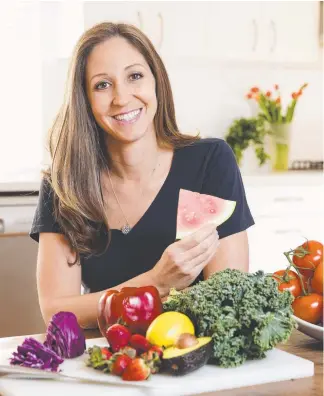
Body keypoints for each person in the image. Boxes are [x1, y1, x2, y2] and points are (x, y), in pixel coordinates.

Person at [30, 22, 254, 329]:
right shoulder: (63, 185)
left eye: (134, 76)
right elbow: (57, 312)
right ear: (85, 100)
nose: (121, 98)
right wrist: (156, 283)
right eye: (102, 85)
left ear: (156, 82)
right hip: (109, 359)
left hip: (195, 359)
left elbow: (227, 302)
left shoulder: (209, 162)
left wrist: (117, 300)